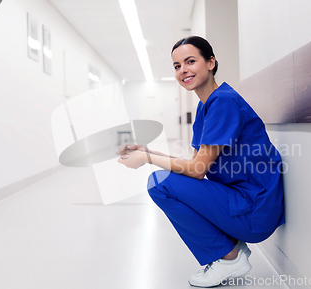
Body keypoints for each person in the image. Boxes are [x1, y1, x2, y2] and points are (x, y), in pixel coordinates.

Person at [116, 36, 285, 287]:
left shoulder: (224, 102)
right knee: (164, 180)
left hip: (254, 209)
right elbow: (195, 164)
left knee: (159, 183)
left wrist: (148, 159)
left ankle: (229, 257)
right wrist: (148, 152)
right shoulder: (206, 107)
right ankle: (231, 247)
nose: (183, 70)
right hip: (242, 200)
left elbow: (196, 171)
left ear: (211, 62)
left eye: (190, 61)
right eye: (176, 66)